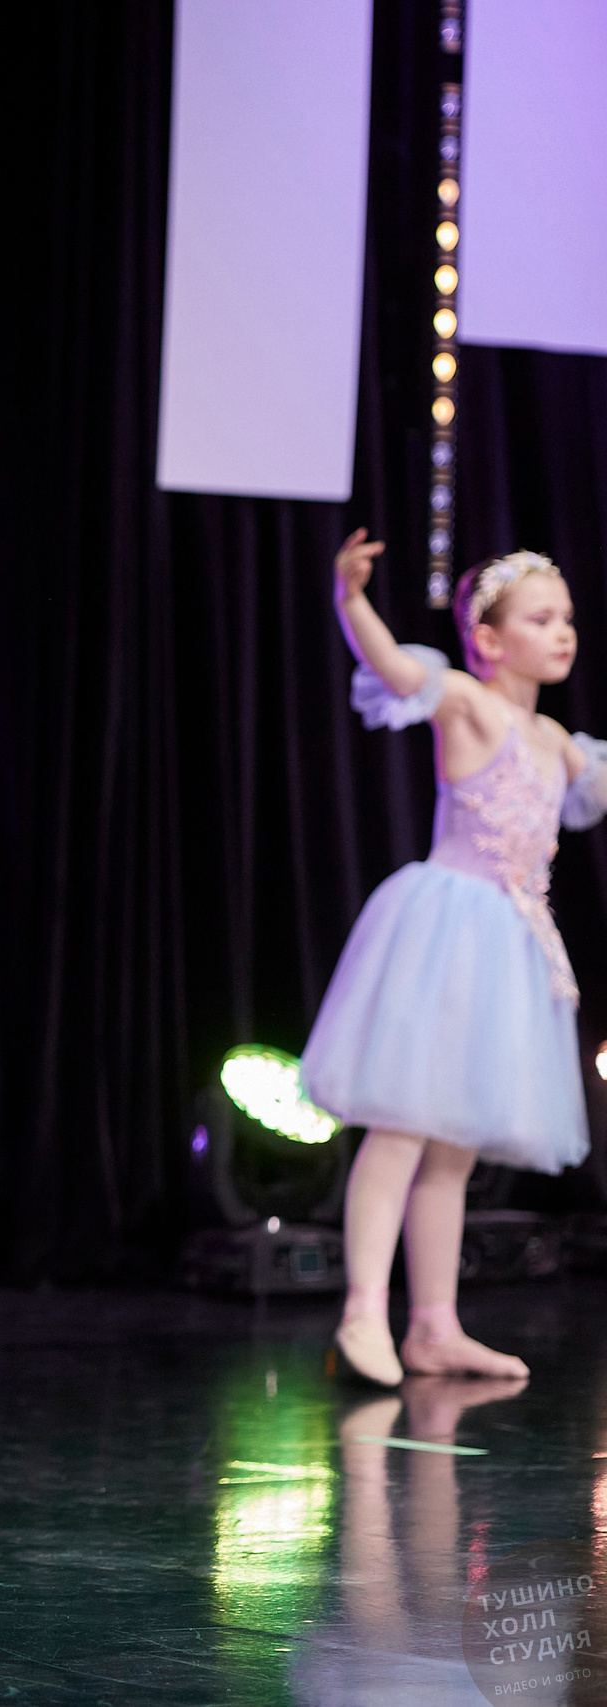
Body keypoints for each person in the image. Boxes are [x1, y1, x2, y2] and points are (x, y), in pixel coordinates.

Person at [309, 528, 606, 1387]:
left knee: (455, 1148)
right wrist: (351, 599)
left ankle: (433, 1326)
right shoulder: (472, 705)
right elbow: (401, 674)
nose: (562, 633)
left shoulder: (558, 741)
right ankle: (366, 1308)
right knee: (403, 1123)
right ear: (489, 637)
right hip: (446, 930)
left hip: (510, 952)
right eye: (541, 618)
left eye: (568, 619)